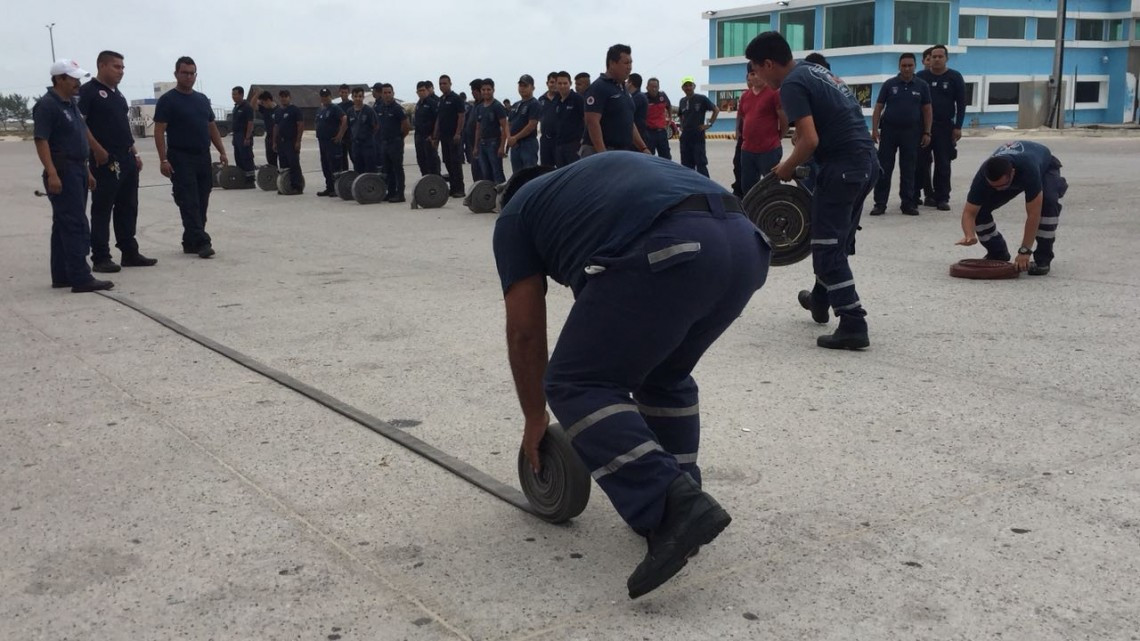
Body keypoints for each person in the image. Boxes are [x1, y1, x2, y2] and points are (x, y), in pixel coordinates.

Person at [492, 152, 769, 599]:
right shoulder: (590, 186)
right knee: (664, 373)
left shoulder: (516, 213)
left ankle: (674, 506)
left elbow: (524, 331)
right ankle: (680, 498)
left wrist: (534, 416)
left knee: (576, 382)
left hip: (674, 244)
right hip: (746, 244)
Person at [747, 32, 878, 350]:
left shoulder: (791, 84)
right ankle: (820, 299)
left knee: (825, 248)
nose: (757, 76)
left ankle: (853, 322)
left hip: (843, 168)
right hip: (866, 163)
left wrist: (787, 166)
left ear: (768, 64)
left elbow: (810, 139)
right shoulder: (813, 70)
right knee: (837, 240)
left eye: (756, 68)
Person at [34, 59, 113, 292]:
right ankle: (80, 277)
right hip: (63, 170)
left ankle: (62, 275)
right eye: (73, 78)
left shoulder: (71, 104)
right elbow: (41, 141)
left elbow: (79, 135)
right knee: (75, 224)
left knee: (63, 224)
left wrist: (87, 170)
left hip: (77, 168)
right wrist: (52, 173)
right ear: (60, 79)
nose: (78, 83)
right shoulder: (47, 105)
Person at [78, 50, 156, 274]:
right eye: (116, 67)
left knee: (128, 206)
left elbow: (123, 127)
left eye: (122, 67)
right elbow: (80, 125)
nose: (121, 71)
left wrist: (135, 153)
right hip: (105, 160)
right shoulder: (89, 92)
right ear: (102, 66)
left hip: (126, 157)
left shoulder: (118, 95)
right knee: (103, 208)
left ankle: (129, 251)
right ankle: (101, 256)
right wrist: (97, 149)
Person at [153, 56, 227, 259]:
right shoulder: (168, 100)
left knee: (202, 199)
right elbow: (159, 131)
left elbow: (211, 126)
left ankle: (190, 240)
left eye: (192, 73)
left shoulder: (202, 99)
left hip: (202, 156)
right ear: (176, 74)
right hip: (180, 157)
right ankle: (203, 241)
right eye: (184, 73)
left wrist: (221, 151)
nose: (188, 77)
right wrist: (163, 160)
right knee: (188, 200)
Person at [955, 141, 1066, 276]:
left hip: (1045, 167)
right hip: (1010, 175)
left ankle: (1043, 259)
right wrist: (969, 235)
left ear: (1013, 173)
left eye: (1001, 186)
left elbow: (1033, 214)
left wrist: (1024, 251)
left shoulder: (1028, 169)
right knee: (981, 210)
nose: (998, 190)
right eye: (994, 186)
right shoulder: (983, 176)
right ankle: (998, 253)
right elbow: (969, 212)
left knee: (1047, 205)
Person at [870, 53, 932, 216]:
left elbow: (927, 109)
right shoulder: (889, 84)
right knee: (884, 168)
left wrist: (927, 132)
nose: (907, 68)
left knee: (909, 169)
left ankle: (908, 203)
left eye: (910, 65)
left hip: (911, 133)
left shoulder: (922, 85)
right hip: (889, 132)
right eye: (904, 65)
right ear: (899, 66)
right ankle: (880, 203)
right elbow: (879, 107)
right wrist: (874, 130)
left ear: (915, 66)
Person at [916, 45, 965, 211]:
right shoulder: (921, 77)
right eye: (934, 56)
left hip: (944, 126)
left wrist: (958, 126)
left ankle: (942, 197)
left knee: (943, 163)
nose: (937, 59)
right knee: (920, 162)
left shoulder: (954, 77)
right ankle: (919, 195)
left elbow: (961, 103)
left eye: (940, 56)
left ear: (946, 58)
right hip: (923, 127)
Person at [581, 44, 649, 157]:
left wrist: (643, 148)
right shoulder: (599, 87)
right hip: (599, 152)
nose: (630, 67)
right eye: (626, 63)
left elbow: (629, 123)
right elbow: (592, 122)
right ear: (612, 63)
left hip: (621, 152)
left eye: (631, 63)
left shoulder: (623, 89)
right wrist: (603, 155)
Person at [737, 63, 787, 196]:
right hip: (748, 150)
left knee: (772, 187)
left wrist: (779, 136)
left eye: (758, 73)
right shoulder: (745, 96)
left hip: (769, 150)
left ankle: (774, 208)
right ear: (748, 76)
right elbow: (742, 116)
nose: (756, 77)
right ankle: (752, 209)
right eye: (752, 74)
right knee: (748, 188)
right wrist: (738, 132)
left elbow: (784, 119)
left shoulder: (774, 93)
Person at [432, 74, 467, 197]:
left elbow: (461, 116)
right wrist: (435, 135)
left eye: (444, 83)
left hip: (453, 136)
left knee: (455, 162)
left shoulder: (456, 98)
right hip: (444, 136)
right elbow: (439, 118)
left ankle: (460, 189)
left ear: (450, 84)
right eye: (440, 84)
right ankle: (453, 187)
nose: (442, 86)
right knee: (447, 161)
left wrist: (458, 133)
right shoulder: (441, 100)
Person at [677, 77, 718, 177]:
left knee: (701, 164)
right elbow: (680, 115)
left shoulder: (701, 98)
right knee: (686, 165)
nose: (688, 88)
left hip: (697, 136)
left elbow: (716, 109)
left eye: (690, 85)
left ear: (694, 86)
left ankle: (706, 185)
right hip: (685, 137)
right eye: (685, 86)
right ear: (682, 88)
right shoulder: (682, 101)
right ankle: (690, 185)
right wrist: (682, 126)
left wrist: (709, 124)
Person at [376, 83, 410, 202]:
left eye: (389, 92)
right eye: (384, 93)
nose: (387, 95)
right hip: (384, 143)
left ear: (393, 93)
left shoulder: (397, 108)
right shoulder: (380, 108)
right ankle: (391, 192)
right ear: (381, 94)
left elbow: (406, 126)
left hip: (395, 143)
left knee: (397, 169)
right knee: (387, 169)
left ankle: (400, 194)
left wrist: (399, 138)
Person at [473, 78, 508, 184]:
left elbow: (504, 127)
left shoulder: (497, 106)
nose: (486, 92)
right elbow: (478, 128)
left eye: (488, 89)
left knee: (497, 172)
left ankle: (502, 193)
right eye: (483, 90)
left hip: (494, 143)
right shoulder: (479, 108)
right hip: (482, 144)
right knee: (485, 173)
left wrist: (502, 146)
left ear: (493, 90)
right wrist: (475, 146)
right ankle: (490, 193)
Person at [315, 88, 347, 197]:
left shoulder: (335, 108)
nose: (324, 98)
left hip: (332, 142)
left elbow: (344, 119)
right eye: (322, 96)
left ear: (330, 96)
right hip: (322, 141)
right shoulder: (321, 109)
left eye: (326, 96)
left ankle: (337, 188)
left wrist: (340, 135)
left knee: (335, 166)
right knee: (325, 165)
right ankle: (329, 187)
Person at [506, 75, 541, 172]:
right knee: (517, 174)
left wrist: (515, 138)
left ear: (532, 88)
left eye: (525, 86)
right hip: (515, 145)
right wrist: (509, 138)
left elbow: (531, 125)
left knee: (529, 173)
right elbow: (508, 123)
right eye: (520, 86)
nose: (522, 88)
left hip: (528, 144)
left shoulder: (534, 104)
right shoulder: (516, 105)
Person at [273, 89, 304, 195]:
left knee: (294, 164)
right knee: (283, 166)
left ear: (289, 97)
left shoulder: (295, 110)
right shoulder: (278, 111)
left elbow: (300, 125)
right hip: (281, 142)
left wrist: (298, 141)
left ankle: (297, 186)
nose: (283, 99)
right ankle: (285, 185)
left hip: (291, 141)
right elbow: (276, 127)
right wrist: (274, 142)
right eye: (281, 97)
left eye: (285, 97)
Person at [552, 71, 584, 167]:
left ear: (570, 83)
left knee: (575, 172)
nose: (562, 86)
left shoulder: (578, 99)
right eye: (560, 83)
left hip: (574, 145)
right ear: (556, 84)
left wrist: (583, 140)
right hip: (559, 145)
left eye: (565, 83)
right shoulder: (556, 101)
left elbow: (587, 120)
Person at [413, 81, 441, 176]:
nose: (422, 92)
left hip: (429, 137)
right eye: (419, 91)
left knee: (432, 161)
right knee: (421, 160)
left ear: (427, 91)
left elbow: (438, 120)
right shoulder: (418, 104)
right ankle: (425, 179)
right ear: (417, 92)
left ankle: (435, 179)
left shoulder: (432, 103)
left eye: (423, 90)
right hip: (419, 137)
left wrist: (434, 136)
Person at [348, 86, 378, 173]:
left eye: (360, 96)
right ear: (352, 97)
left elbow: (376, 127)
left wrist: (368, 136)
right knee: (358, 169)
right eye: (355, 96)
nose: (358, 98)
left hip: (367, 145)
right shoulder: (350, 111)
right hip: (356, 145)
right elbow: (349, 127)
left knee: (370, 169)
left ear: (363, 97)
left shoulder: (369, 111)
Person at [230, 86, 256, 177]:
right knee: (238, 157)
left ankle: (250, 178)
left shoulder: (247, 107)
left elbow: (250, 123)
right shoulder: (236, 107)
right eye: (232, 94)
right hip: (236, 135)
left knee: (246, 157)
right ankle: (241, 178)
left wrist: (247, 137)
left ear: (241, 95)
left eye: (235, 94)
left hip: (244, 135)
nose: (233, 96)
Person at [644, 77, 672, 159]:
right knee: (649, 157)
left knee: (666, 157)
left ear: (658, 87)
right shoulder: (643, 98)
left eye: (656, 87)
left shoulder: (663, 96)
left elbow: (669, 106)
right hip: (649, 133)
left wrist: (670, 118)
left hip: (661, 132)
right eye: (652, 87)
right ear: (647, 87)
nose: (654, 89)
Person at [537, 72, 559, 166]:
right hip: (545, 140)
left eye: (556, 82)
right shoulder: (541, 99)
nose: (554, 85)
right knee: (546, 168)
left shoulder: (562, 98)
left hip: (559, 140)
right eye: (552, 82)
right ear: (547, 83)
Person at [464, 80, 484, 182]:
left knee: (483, 171)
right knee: (475, 171)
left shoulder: (485, 105)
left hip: (482, 144)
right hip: (472, 143)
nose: (472, 93)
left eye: (473, 90)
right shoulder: (475, 104)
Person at [255, 91, 279, 168]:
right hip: (269, 138)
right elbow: (252, 106)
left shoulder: (279, 110)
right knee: (271, 161)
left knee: (283, 161)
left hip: (279, 137)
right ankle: (274, 173)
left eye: (263, 103)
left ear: (268, 100)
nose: (262, 105)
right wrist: (256, 95)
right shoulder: (264, 109)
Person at [628, 73, 649, 150]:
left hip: (638, 135)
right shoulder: (634, 96)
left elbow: (626, 112)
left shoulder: (638, 97)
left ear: (630, 83)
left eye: (627, 81)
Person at [337, 83, 353, 171]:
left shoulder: (352, 105)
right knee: (343, 159)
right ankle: (345, 176)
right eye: (342, 92)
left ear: (348, 93)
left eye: (345, 92)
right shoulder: (338, 106)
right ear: (339, 93)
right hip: (342, 137)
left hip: (351, 136)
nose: (344, 94)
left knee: (354, 157)